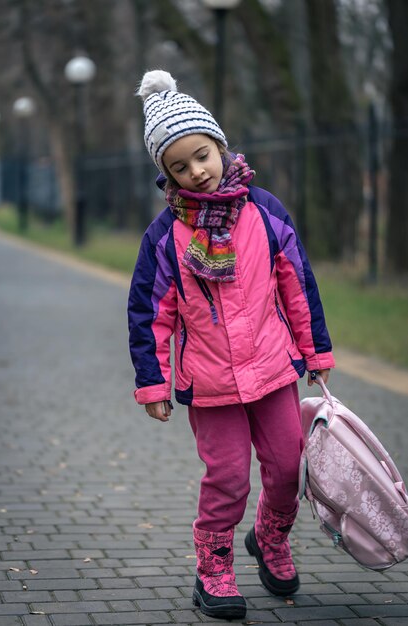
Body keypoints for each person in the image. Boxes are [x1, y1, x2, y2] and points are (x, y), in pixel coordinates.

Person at [128, 70, 334, 621]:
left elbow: (297, 283)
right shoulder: (165, 236)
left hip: (271, 369)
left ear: (220, 147)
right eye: (179, 166)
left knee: (289, 467)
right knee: (226, 479)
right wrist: (152, 382)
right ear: (167, 174)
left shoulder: (264, 211)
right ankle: (213, 568)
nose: (196, 171)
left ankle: (270, 539)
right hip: (212, 381)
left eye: (202, 155)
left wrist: (316, 353)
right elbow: (150, 313)